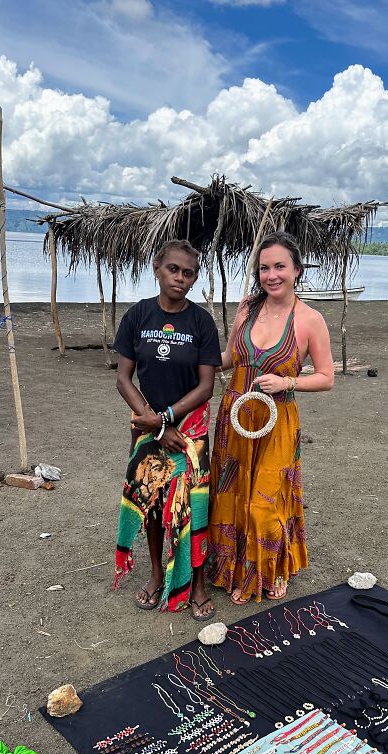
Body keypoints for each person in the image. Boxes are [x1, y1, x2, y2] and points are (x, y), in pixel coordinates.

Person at [208, 232, 334, 604]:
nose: (271, 275)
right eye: (264, 268)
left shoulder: (310, 320)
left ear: (296, 270)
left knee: (265, 502)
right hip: (234, 416)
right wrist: (190, 361)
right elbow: (229, 357)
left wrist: (287, 381)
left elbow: (326, 378)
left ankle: (271, 569)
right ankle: (231, 568)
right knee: (230, 495)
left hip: (278, 422)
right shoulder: (247, 309)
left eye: (280, 266)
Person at [113, 240, 222, 619]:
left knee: (195, 506)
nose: (180, 277)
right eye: (173, 269)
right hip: (145, 430)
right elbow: (124, 379)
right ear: (157, 268)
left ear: (194, 278)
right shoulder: (138, 316)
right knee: (155, 505)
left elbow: (206, 386)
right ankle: (158, 573)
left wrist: (166, 420)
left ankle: (198, 583)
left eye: (188, 272)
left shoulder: (201, 323)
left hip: (191, 433)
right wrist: (154, 424)